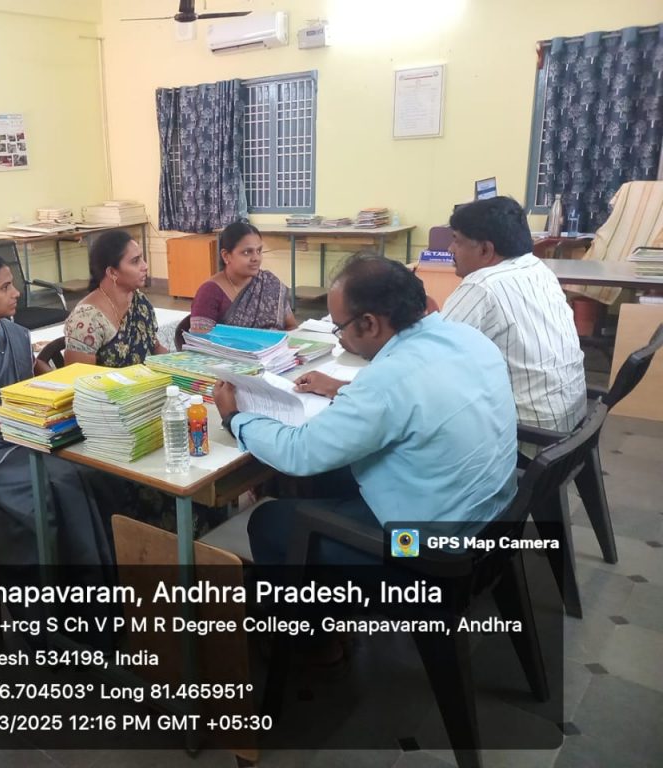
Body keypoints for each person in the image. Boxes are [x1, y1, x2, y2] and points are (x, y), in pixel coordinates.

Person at [214, 253, 518, 566]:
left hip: (425, 548)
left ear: (370, 323)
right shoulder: (467, 337)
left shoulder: (387, 382)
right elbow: (423, 393)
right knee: (325, 476)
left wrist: (234, 417)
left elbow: (298, 452)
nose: (341, 339)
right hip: (489, 521)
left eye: (340, 328)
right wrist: (340, 388)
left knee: (268, 522)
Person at [0, 250, 124, 567]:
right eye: (4, 287)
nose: (16, 293)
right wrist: (12, 420)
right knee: (50, 486)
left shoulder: (12, 332)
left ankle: (97, 573)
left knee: (94, 469)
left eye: (13, 284)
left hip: (27, 432)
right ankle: (46, 584)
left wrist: (67, 386)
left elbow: (33, 372)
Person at [442, 196, 586, 434]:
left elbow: (432, 357)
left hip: (528, 432)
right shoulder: (537, 268)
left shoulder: (482, 285)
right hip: (570, 423)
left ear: (485, 249)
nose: (450, 249)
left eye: (456, 240)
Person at [63, 229, 166, 367]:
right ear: (112, 272)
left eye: (142, 258)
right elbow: (78, 376)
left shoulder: (139, 302)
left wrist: (181, 366)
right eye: (135, 261)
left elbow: (155, 347)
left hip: (146, 379)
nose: (145, 266)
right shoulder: (86, 320)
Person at [190, 221, 297, 333]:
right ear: (226, 256)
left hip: (275, 344)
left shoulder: (269, 283)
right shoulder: (209, 292)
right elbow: (200, 339)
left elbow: (291, 327)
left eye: (259, 251)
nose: (256, 258)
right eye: (247, 252)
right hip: (228, 345)